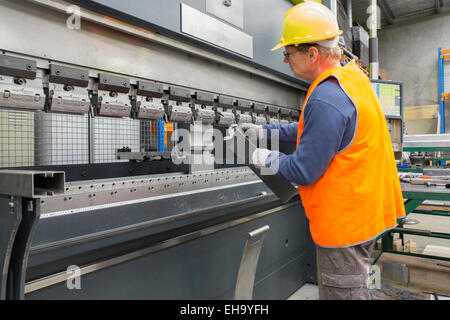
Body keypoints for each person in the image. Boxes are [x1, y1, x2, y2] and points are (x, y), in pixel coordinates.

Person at [239, 1, 405, 300]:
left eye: (288, 54)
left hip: (345, 226)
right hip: (366, 216)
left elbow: (304, 170)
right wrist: (265, 132)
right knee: (354, 287)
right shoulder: (353, 80)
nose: (286, 61)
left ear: (312, 53)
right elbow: (317, 132)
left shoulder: (327, 95)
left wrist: (261, 157)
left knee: (344, 293)